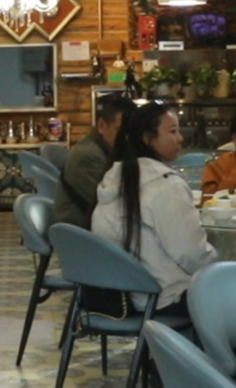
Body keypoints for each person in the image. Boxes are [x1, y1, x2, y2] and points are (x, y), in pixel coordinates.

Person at [91, 102, 218, 312]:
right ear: (148, 138)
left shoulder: (115, 176)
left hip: (119, 296)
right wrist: (220, 264)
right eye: (173, 131)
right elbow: (191, 254)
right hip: (165, 297)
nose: (180, 138)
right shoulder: (165, 184)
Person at [54, 94, 131, 229]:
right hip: (80, 233)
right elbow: (114, 206)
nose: (127, 138)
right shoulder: (87, 157)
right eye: (120, 131)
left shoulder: (109, 147)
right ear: (101, 125)